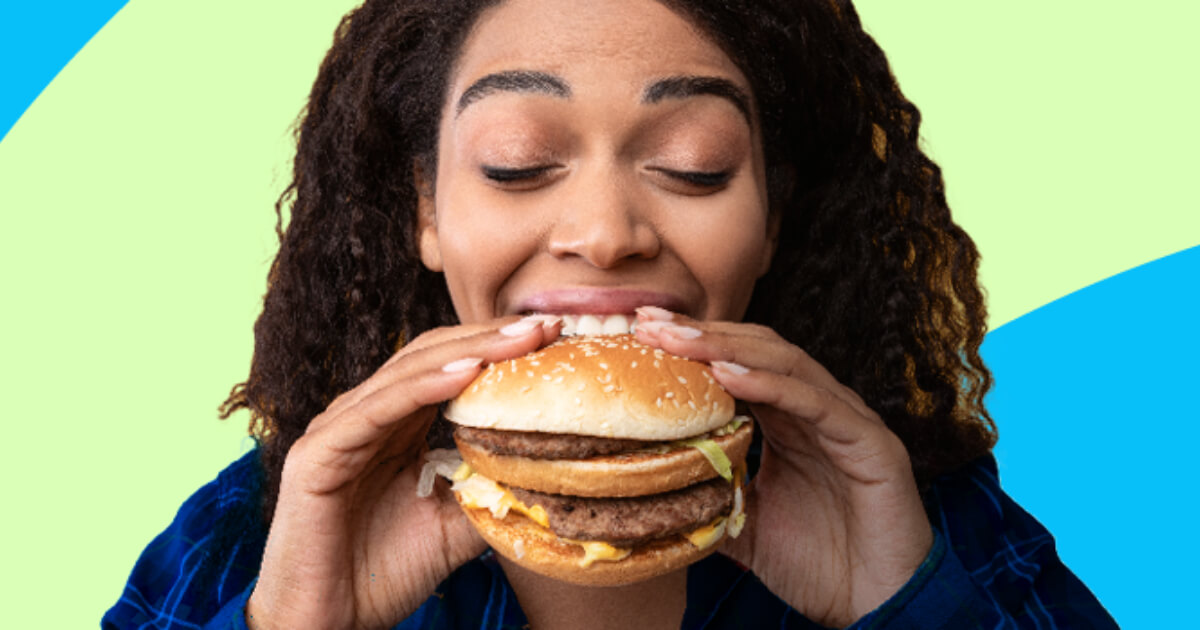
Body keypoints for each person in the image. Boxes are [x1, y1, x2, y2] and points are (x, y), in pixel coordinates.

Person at [103, 0, 1117, 628]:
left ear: (771, 216)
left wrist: (909, 609)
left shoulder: (929, 525)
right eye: (516, 163)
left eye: (694, 166)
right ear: (426, 211)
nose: (603, 232)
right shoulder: (254, 537)